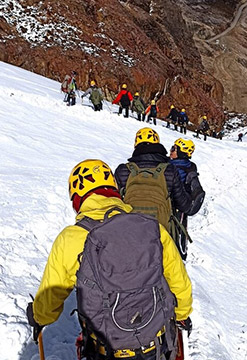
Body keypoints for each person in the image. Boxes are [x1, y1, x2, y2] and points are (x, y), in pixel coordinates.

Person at [26, 159, 193, 360]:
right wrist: (182, 315)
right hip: (156, 344)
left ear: (77, 199)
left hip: (106, 350)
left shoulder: (70, 239)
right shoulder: (151, 228)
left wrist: (38, 317)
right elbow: (178, 281)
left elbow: (51, 296)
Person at [114, 128, 193, 222]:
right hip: (160, 230)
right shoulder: (169, 170)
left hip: (129, 230)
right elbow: (184, 205)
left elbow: (114, 202)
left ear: (136, 146)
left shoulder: (123, 170)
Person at [170, 138, 205, 260]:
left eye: (174, 148)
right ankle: (181, 254)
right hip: (184, 206)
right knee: (181, 231)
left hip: (173, 205)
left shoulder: (171, 167)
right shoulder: (190, 167)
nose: (171, 150)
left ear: (181, 151)